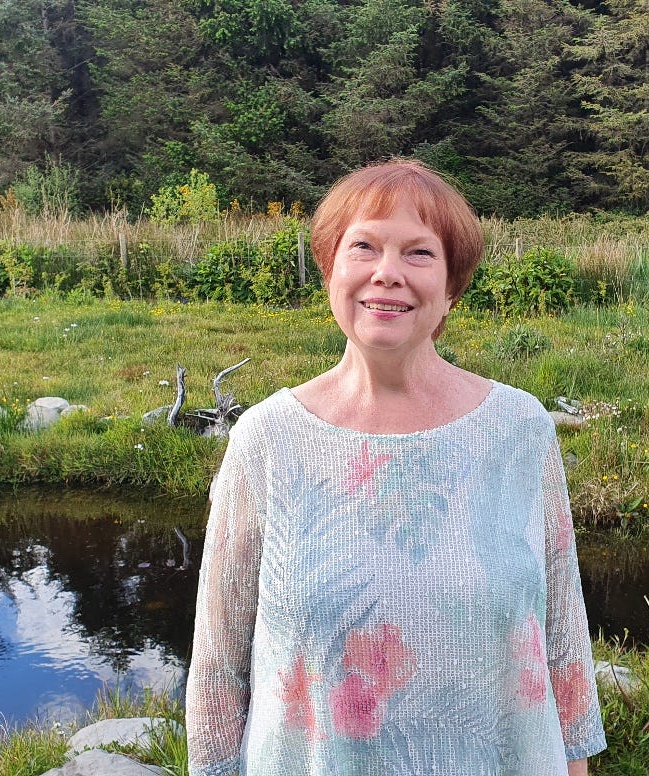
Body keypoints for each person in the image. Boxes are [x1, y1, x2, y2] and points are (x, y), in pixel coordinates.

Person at [186, 159, 606, 775]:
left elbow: (563, 638)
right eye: (364, 246)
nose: (387, 274)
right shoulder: (268, 441)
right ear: (330, 269)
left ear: (451, 287)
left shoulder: (519, 431)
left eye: (418, 253)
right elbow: (219, 665)